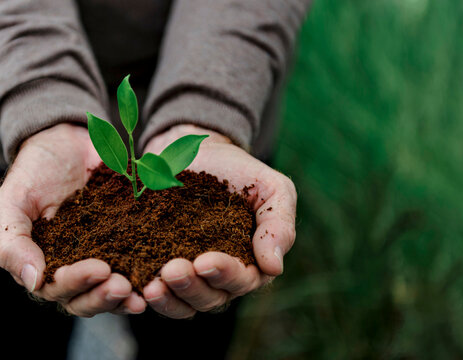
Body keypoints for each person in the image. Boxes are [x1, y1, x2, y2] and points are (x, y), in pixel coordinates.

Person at [0, 0, 310, 358]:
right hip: (17, 104)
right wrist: (40, 103)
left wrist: (206, 110)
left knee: (187, 334)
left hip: (231, 100)